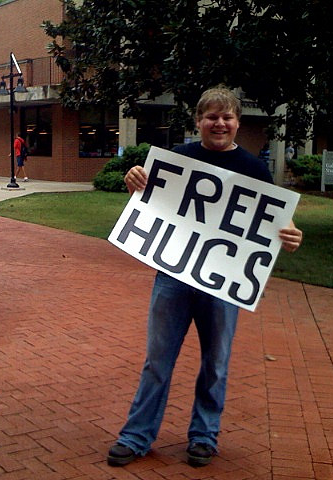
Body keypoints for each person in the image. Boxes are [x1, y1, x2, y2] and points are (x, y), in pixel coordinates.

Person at [107, 86, 303, 468]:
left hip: (223, 283)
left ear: (237, 123)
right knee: (157, 360)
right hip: (174, 278)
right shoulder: (176, 160)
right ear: (198, 122)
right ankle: (136, 436)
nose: (220, 123)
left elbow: (274, 219)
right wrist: (134, 180)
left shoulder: (254, 169)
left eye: (227, 117)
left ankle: (203, 435)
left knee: (216, 362)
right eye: (212, 117)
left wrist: (290, 234)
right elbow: (151, 203)